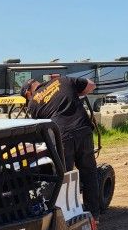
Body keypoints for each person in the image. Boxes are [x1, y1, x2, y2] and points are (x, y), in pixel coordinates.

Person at [21, 75, 100, 222]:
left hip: (62, 137)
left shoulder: (33, 103)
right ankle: (94, 216)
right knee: (89, 173)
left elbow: (40, 131)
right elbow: (91, 85)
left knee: (63, 178)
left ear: (28, 93)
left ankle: (64, 218)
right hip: (83, 129)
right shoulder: (63, 80)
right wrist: (73, 92)